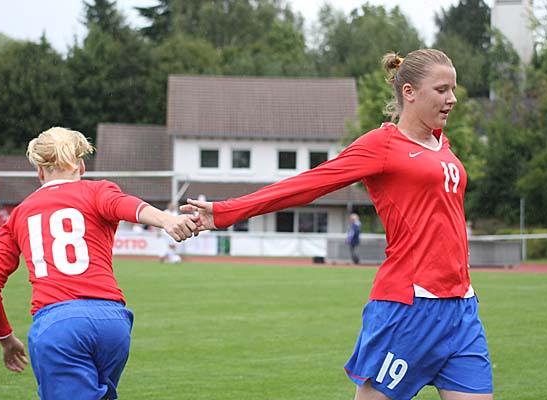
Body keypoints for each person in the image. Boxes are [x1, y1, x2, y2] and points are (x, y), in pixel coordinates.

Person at [183, 49, 493, 400]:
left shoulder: (443, 146)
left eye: (453, 89)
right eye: (441, 90)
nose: (452, 99)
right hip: (410, 305)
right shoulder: (382, 145)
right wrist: (225, 212)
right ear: (409, 92)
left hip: (461, 308)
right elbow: (309, 184)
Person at [0, 127, 198, 400]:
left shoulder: (18, 216)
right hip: (113, 323)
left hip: (59, 326)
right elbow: (126, 205)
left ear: (40, 172)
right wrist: (166, 219)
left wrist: (5, 338)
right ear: (81, 166)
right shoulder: (98, 191)